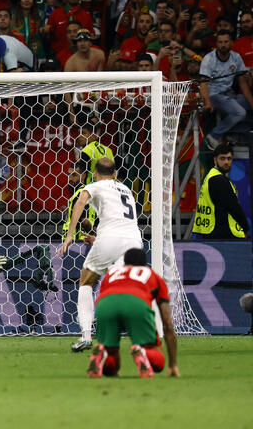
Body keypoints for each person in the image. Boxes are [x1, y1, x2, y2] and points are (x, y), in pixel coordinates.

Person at [59, 158, 143, 353]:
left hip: (109, 239)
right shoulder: (126, 190)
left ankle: (86, 336)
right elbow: (120, 222)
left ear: (95, 173)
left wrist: (70, 235)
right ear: (114, 174)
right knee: (126, 287)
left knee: (86, 282)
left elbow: (80, 201)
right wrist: (97, 238)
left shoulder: (94, 185)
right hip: (134, 241)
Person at [87, 247, 180, 378]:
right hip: (136, 303)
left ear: (124, 262)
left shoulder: (113, 272)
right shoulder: (153, 275)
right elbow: (168, 325)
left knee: (111, 365)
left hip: (105, 304)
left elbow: (103, 294)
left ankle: (103, 353)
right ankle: (144, 352)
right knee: (157, 362)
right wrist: (173, 365)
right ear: (145, 263)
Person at [198, 30, 253, 149]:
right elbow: (203, 83)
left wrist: (252, 103)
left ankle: (232, 136)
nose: (223, 45)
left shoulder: (236, 57)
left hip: (229, 94)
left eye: (226, 42)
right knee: (240, 112)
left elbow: (242, 82)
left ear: (231, 42)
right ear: (216, 43)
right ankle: (214, 135)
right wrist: (207, 102)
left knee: (247, 106)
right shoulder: (209, 59)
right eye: (220, 42)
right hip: (213, 95)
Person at [192, 143, 250, 240]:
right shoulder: (219, 180)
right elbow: (233, 207)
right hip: (224, 234)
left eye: (229, 158)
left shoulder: (210, 176)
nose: (226, 162)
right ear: (215, 160)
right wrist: (245, 227)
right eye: (222, 159)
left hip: (211, 230)